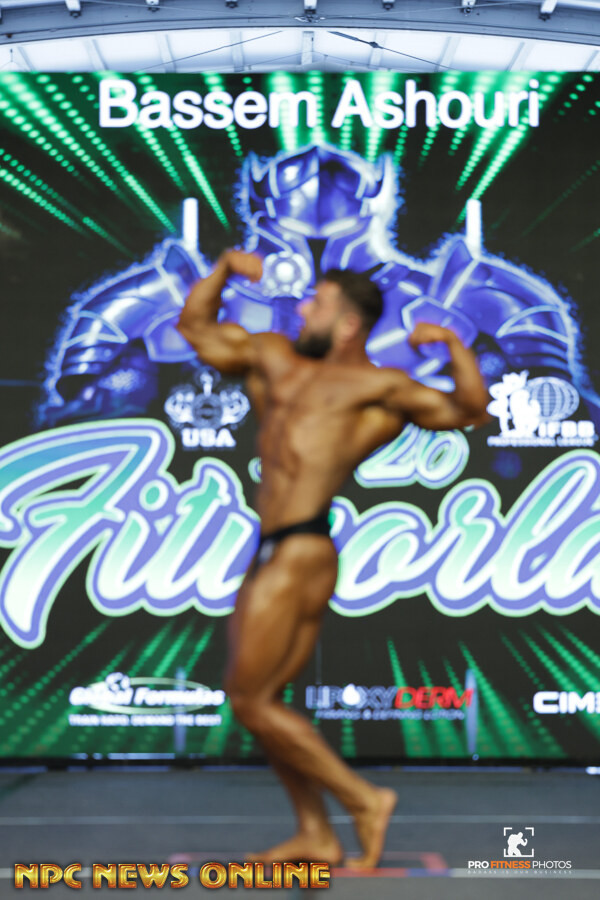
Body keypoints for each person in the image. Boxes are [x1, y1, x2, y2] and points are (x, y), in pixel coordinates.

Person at [176, 249, 490, 868]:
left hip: (301, 549)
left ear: (347, 324)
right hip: (277, 548)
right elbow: (195, 328)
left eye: (315, 303)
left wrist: (453, 344)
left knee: (249, 700)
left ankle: (364, 800)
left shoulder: (377, 389)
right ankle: (315, 833)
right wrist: (224, 269)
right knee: (268, 701)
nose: (300, 309)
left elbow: (471, 410)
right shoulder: (273, 357)